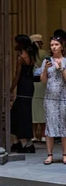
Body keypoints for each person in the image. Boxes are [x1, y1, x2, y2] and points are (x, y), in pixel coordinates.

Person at [39, 36, 66, 165]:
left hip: (63, 97)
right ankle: (49, 155)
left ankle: (65, 154)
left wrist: (61, 68)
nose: (53, 47)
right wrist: (45, 69)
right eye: (51, 45)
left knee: (64, 125)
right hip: (50, 97)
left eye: (56, 44)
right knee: (50, 125)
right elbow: (43, 80)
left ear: (62, 46)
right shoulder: (46, 61)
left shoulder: (65, 61)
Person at [10, 34, 38, 153]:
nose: (15, 45)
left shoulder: (21, 57)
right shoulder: (31, 55)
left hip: (23, 85)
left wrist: (11, 89)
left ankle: (24, 144)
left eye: (16, 43)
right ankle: (20, 143)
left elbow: (17, 75)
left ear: (20, 44)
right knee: (22, 113)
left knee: (18, 114)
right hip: (29, 85)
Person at [30, 34, 47, 142]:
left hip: (32, 83)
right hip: (42, 83)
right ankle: (44, 135)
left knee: (34, 110)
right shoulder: (44, 53)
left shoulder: (30, 54)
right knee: (43, 109)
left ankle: (34, 135)